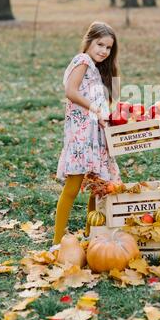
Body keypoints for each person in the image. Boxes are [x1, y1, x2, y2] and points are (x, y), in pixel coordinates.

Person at [52, 21, 121, 248]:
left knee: (97, 188)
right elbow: (71, 91)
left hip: (96, 136)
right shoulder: (82, 61)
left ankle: (92, 236)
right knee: (73, 186)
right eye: (99, 44)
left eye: (108, 48)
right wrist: (95, 109)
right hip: (81, 136)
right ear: (89, 41)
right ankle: (57, 241)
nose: (103, 50)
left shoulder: (98, 69)